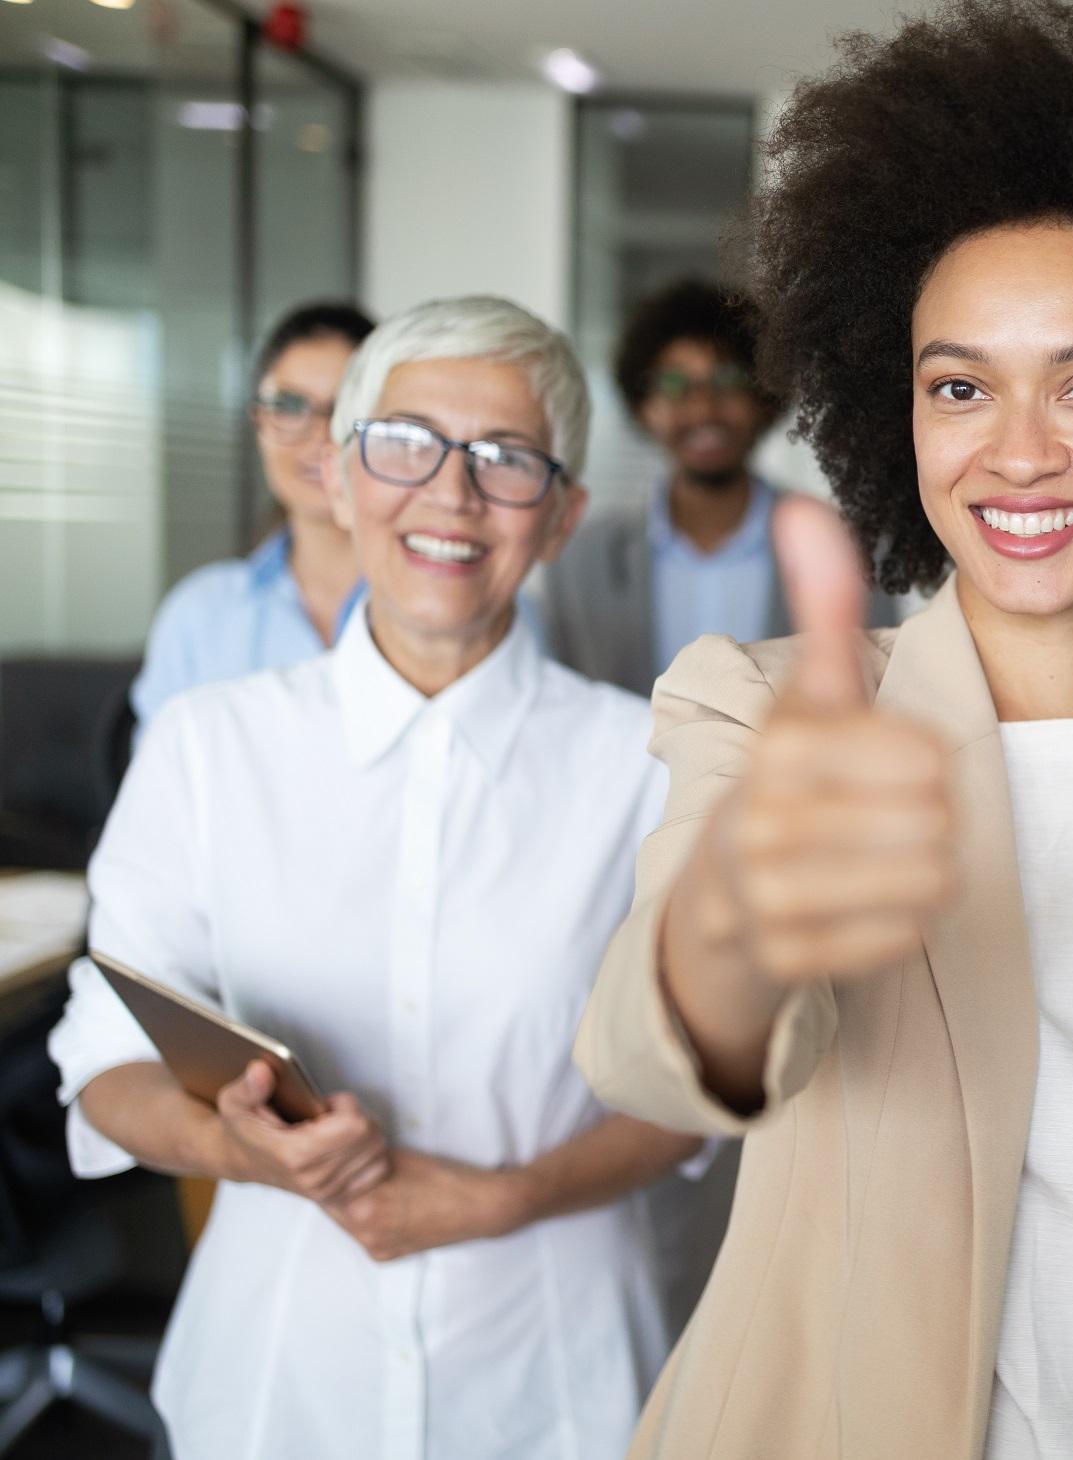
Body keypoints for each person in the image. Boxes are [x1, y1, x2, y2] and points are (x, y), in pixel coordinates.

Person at [572, 3, 1073, 1456]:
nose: (1020, 451)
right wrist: (744, 918)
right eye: (960, 386)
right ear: (901, 415)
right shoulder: (764, 708)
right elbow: (660, 1051)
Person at [48, 295, 702, 1459]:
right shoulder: (208, 746)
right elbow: (105, 1061)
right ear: (340, 479)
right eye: (405, 445)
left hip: (553, 1379)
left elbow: (686, 1087)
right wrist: (235, 1147)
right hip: (281, 1376)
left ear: (560, 517)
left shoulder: (645, 765)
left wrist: (505, 1194)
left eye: (506, 460)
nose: (451, 495)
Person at [539, 279, 895, 696]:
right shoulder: (580, 561)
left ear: (765, 398)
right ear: (641, 406)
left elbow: (875, 695)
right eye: (674, 384)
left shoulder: (846, 552)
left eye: (727, 381)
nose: (704, 408)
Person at [130, 301, 374, 735]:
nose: (320, 438)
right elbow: (163, 792)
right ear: (257, 422)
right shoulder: (199, 616)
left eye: (345, 411)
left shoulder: (449, 604)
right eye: (290, 405)